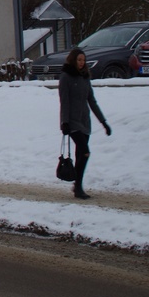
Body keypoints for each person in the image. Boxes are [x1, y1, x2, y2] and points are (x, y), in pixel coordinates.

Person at [58, 48, 112, 199]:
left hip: (85, 122)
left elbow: (92, 101)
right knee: (85, 152)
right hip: (72, 123)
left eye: (83, 60)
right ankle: (78, 185)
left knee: (80, 154)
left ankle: (77, 186)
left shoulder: (85, 77)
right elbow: (64, 102)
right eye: (79, 60)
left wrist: (103, 122)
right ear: (73, 60)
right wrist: (65, 122)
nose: (81, 63)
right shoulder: (66, 77)